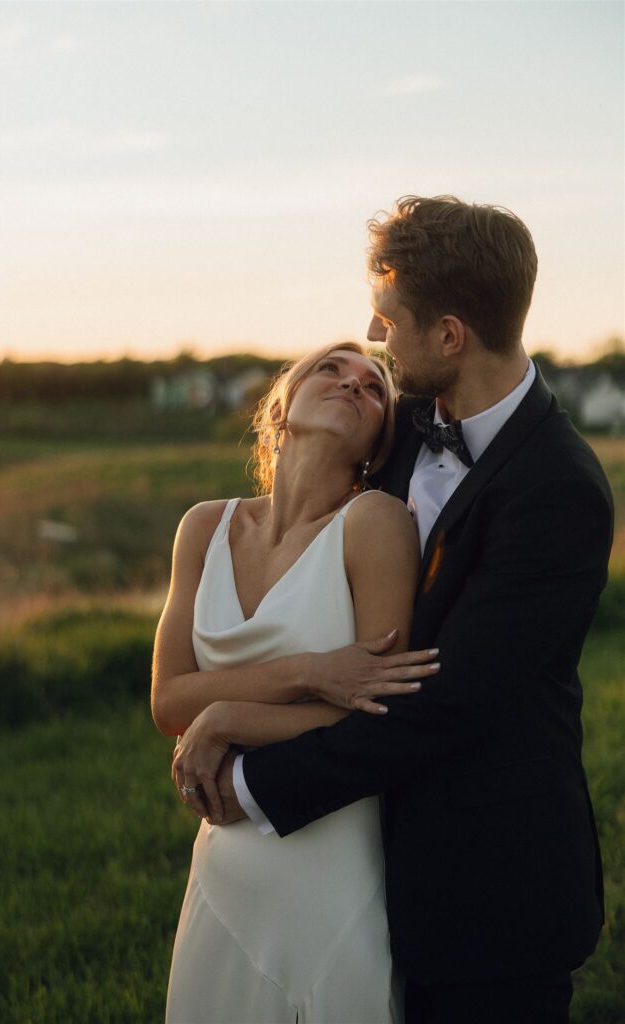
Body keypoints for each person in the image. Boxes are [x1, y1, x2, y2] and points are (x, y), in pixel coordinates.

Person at [186, 196, 614, 1024]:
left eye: (387, 322)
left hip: (490, 888)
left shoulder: (559, 491)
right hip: (360, 859)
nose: (373, 341)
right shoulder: (399, 424)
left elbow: (444, 704)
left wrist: (249, 777)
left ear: (449, 335)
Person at [152, 339, 438, 1023]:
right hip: (225, 855)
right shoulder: (204, 527)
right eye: (329, 369)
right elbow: (169, 700)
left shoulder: (373, 523)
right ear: (279, 410)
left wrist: (223, 717)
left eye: (374, 388)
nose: (352, 383)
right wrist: (309, 673)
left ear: (377, 443)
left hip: (329, 853)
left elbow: (377, 708)